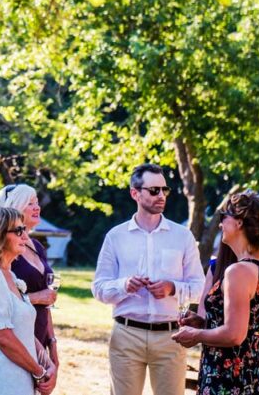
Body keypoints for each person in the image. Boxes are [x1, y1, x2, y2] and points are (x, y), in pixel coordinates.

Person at [92, 163, 205, 395]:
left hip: (170, 336)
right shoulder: (116, 236)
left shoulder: (182, 236)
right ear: (135, 193)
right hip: (126, 335)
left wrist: (172, 288)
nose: (161, 195)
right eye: (154, 190)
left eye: (165, 190)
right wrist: (124, 285)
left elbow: (199, 287)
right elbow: (99, 288)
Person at [172, 192, 259, 395]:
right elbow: (248, 324)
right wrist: (203, 322)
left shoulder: (238, 271)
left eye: (223, 218)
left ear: (238, 223)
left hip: (228, 379)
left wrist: (196, 335)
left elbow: (234, 334)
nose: (219, 225)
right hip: (253, 373)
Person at [0, 206, 57, 395]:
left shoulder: (10, 276)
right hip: (4, 383)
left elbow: (23, 332)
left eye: (24, 230)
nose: (25, 237)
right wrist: (39, 372)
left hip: (24, 381)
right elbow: (5, 338)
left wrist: (48, 364)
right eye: (18, 231)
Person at [0, 184, 59, 376]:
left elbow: (48, 303)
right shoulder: (3, 251)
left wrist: (52, 342)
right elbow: (2, 302)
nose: (37, 207)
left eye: (37, 202)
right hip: (17, 336)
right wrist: (38, 297)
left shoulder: (37, 247)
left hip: (40, 330)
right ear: (14, 208)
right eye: (30, 203)